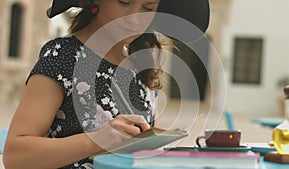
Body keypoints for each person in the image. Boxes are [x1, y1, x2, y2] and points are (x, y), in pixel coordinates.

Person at [3, 0, 210, 168]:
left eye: (147, 8)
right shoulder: (62, 56)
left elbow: (143, 151)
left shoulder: (140, 67)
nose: (135, 18)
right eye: (124, 2)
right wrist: (96, 140)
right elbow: (15, 157)